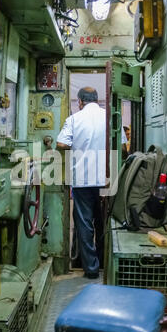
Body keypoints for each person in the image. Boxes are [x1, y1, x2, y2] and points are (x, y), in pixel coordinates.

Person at [56, 87, 106, 279]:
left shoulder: (74, 119)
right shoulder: (109, 117)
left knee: (85, 224)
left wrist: (77, 145)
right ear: (97, 99)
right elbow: (121, 143)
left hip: (83, 179)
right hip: (107, 180)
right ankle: (105, 262)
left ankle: (91, 269)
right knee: (104, 222)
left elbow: (61, 144)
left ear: (80, 102)